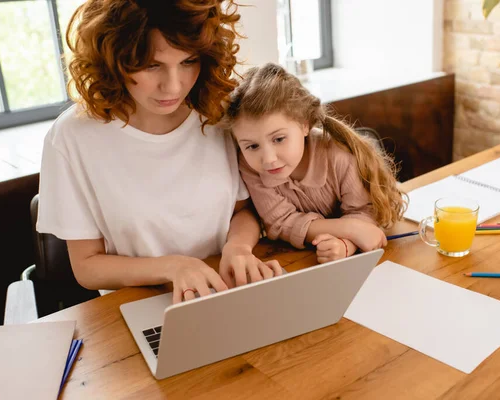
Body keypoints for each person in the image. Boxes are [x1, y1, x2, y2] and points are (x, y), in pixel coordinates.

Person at [36, 0, 281, 304]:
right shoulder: (73, 137)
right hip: (138, 304)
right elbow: (87, 266)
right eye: (153, 65)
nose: (174, 86)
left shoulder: (217, 113)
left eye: (188, 61)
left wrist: (239, 248)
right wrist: (174, 267)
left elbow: (243, 212)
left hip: (224, 291)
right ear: (113, 60)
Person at [223, 63, 407, 264]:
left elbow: (366, 218)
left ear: (304, 125)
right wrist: (348, 229)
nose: (268, 159)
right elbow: (280, 223)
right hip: (299, 260)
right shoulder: (249, 166)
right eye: (252, 146)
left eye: (278, 139)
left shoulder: (339, 156)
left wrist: (346, 245)